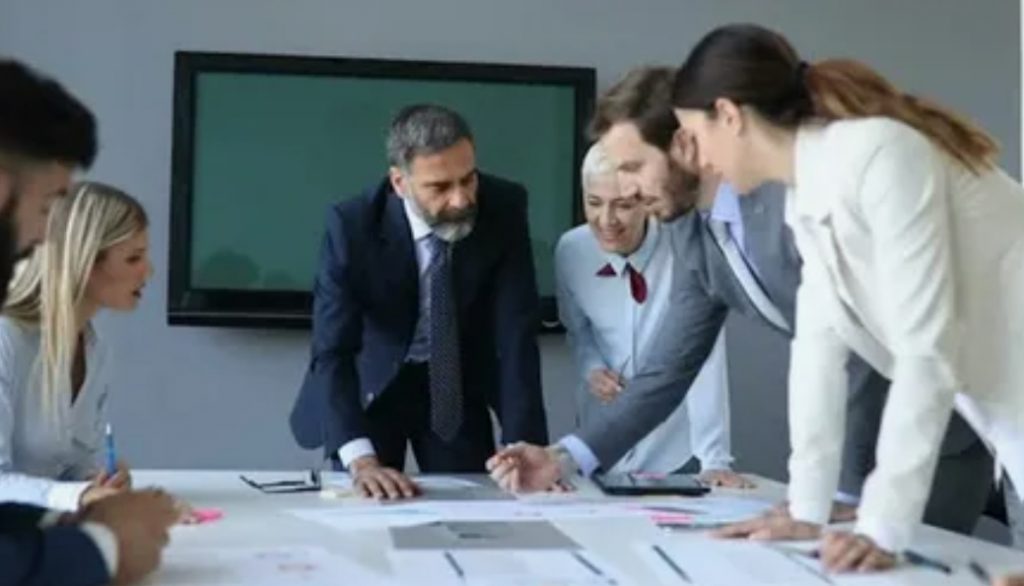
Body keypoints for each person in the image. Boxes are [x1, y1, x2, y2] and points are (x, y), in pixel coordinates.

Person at [487, 66, 992, 536]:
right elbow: (667, 370)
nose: (628, 192)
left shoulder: (788, 201)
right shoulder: (690, 231)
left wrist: (841, 493)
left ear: (685, 143)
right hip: (870, 449)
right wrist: (565, 457)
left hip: (936, 430)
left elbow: (854, 347)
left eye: (634, 167)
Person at [670, 23, 1024, 573]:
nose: (694, 158)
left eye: (693, 134)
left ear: (729, 115)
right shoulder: (807, 197)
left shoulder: (881, 153)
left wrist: (882, 527)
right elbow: (818, 356)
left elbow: (926, 352)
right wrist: (806, 509)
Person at [291, 104, 548, 499]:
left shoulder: (504, 206)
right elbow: (332, 350)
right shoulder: (352, 225)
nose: (461, 200)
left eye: (468, 179)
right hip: (374, 385)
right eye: (440, 187)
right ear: (400, 182)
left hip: (452, 380)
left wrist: (526, 446)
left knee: (476, 506)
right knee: (371, 502)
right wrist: (361, 460)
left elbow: (515, 334)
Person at [0, 58, 175, 586]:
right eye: (47, 207)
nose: (44, 237)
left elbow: (76, 468)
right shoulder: (7, 337)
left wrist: (101, 490)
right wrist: (91, 516)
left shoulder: (95, 348)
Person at [555, 141, 744, 484]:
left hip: (677, 450)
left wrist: (714, 459)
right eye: (594, 203)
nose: (606, 220)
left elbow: (705, 357)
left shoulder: (684, 247)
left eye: (623, 205)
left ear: (646, 201)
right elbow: (579, 332)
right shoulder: (571, 251)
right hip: (602, 442)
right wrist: (591, 368)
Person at [0, 181, 152, 511]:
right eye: (133, 258)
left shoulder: (96, 351)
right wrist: (79, 496)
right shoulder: (5, 339)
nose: (149, 271)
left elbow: (67, 468)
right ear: (83, 261)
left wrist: (98, 481)